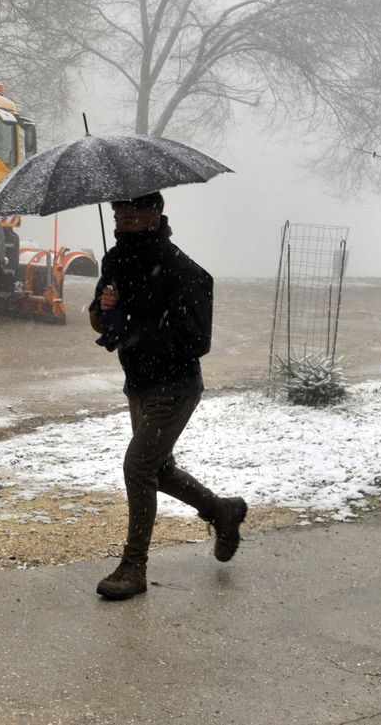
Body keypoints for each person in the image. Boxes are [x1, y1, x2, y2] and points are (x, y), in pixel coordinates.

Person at [87, 191, 247, 600]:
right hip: (138, 384)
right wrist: (104, 309)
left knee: (138, 466)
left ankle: (134, 567)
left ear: (154, 218)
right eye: (118, 216)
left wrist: (135, 322)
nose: (122, 223)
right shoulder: (115, 260)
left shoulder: (182, 270)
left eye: (131, 216)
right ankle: (222, 511)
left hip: (175, 388)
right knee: (159, 470)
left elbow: (197, 340)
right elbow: (98, 319)